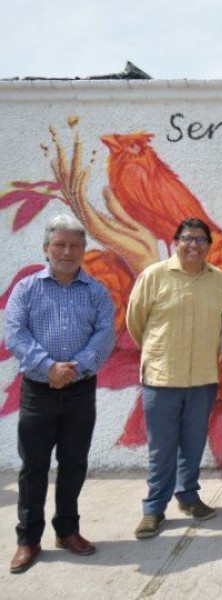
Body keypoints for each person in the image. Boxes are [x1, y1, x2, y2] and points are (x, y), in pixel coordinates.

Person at [4, 214, 116, 573]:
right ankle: (28, 539)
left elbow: (104, 336)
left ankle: (67, 530)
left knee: (73, 464)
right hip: (39, 391)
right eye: (60, 245)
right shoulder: (26, 289)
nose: (67, 252)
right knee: (33, 467)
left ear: (84, 250)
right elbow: (16, 334)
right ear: (46, 249)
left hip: (81, 391)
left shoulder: (96, 292)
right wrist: (49, 368)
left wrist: (73, 369)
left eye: (74, 245)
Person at [126, 217, 222, 539]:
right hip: (161, 378)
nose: (194, 244)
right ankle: (153, 509)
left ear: (209, 246)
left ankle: (188, 496)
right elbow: (135, 322)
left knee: (194, 444)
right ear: (176, 242)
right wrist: (157, 353)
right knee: (161, 449)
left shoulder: (218, 280)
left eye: (201, 239)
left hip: (203, 378)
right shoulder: (154, 276)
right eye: (187, 238)